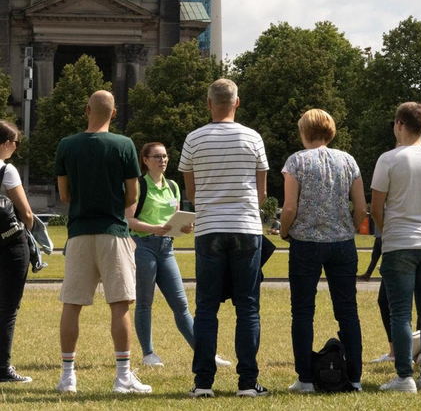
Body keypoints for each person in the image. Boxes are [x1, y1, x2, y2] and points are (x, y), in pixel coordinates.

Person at [55, 90, 151, 395]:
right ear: (114, 113)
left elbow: (64, 195)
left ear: (87, 110)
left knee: (72, 304)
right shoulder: (124, 145)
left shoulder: (67, 145)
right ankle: (122, 375)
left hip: (80, 231)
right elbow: (133, 195)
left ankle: (67, 376)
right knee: (119, 304)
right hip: (114, 231)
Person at [179, 78, 269, 398]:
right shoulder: (253, 138)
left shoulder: (194, 139)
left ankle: (203, 382)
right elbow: (261, 193)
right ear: (237, 103)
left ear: (208, 104)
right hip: (246, 227)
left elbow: (191, 192)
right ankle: (247, 382)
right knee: (248, 307)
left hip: (209, 228)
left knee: (206, 307)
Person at [280, 109, 366, 393]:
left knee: (303, 312)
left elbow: (290, 207)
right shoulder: (348, 160)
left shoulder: (296, 162)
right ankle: (354, 378)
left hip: (306, 242)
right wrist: (348, 229)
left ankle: (305, 379)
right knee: (348, 312)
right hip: (342, 243)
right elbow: (361, 208)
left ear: (304, 131)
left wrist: (283, 230)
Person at [371, 102, 421, 394]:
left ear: (399, 125)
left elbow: (376, 207)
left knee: (401, 313)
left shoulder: (389, 159)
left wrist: (388, 231)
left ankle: (405, 376)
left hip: (400, 243)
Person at [126, 142, 231, 369]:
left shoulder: (172, 186)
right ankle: (149, 354)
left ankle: (205, 354)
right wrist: (154, 229)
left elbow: (176, 218)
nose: (162, 160)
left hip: (166, 248)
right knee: (145, 302)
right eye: (156, 157)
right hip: (143, 246)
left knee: (181, 304)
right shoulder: (138, 185)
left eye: (164, 156)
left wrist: (184, 227)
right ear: (145, 160)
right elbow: (129, 220)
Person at [0, 120, 33, 383]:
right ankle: (2, 368)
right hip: (10, 244)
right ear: (7, 144)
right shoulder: (7, 170)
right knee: (8, 307)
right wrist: (27, 230)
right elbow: (27, 213)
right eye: (15, 143)